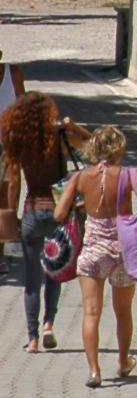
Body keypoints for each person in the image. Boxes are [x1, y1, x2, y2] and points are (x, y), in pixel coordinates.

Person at [52, 124, 137, 384]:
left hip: (92, 251)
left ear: (94, 149)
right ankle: (122, 362)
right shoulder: (130, 174)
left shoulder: (80, 177)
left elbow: (58, 214)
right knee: (123, 311)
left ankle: (94, 370)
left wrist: (80, 202)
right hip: (123, 251)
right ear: (118, 148)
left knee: (91, 312)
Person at [2, 82, 78, 353]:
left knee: (31, 280)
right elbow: (90, 146)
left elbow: (13, 181)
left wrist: (12, 214)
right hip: (58, 211)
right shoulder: (58, 138)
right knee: (53, 272)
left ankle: (32, 339)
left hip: (33, 209)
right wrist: (71, 127)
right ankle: (49, 324)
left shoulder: (19, 140)